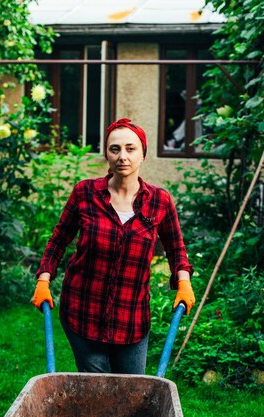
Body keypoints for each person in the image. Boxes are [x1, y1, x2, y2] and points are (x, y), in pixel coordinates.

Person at [32, 118, 195, 374]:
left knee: (131, 392)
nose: (123, 157)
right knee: (98, 392)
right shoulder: (85, 193)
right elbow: (59, 239)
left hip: (131, 317)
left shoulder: (159, 202)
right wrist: (44, 280)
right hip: (83, 310)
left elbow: (176, 249)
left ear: (143, 154)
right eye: (115, 149)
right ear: (106, 154)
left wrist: (183, 281)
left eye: (131, 149)